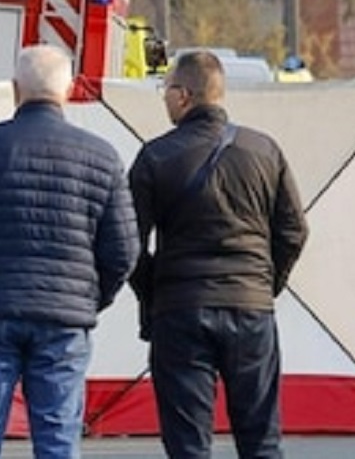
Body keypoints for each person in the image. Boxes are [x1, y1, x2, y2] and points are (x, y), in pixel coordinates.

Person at [0, 44, 139, 458]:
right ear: (70, 89)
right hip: (64, 318)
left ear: (14, 89)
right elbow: (123, 250)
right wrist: (89, 297)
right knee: (58, 440)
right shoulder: (101, 155)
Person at [129, 50, 309, 458]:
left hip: (181, 310)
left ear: (184, 95)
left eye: (166, 88)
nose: (164, 97)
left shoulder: (155, 157)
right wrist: (264, 284)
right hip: (251, 309)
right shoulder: (265, 151)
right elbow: (294, 231)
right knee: (261, 440)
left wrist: (155, 291)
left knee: (189, 444)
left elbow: (128, 243)